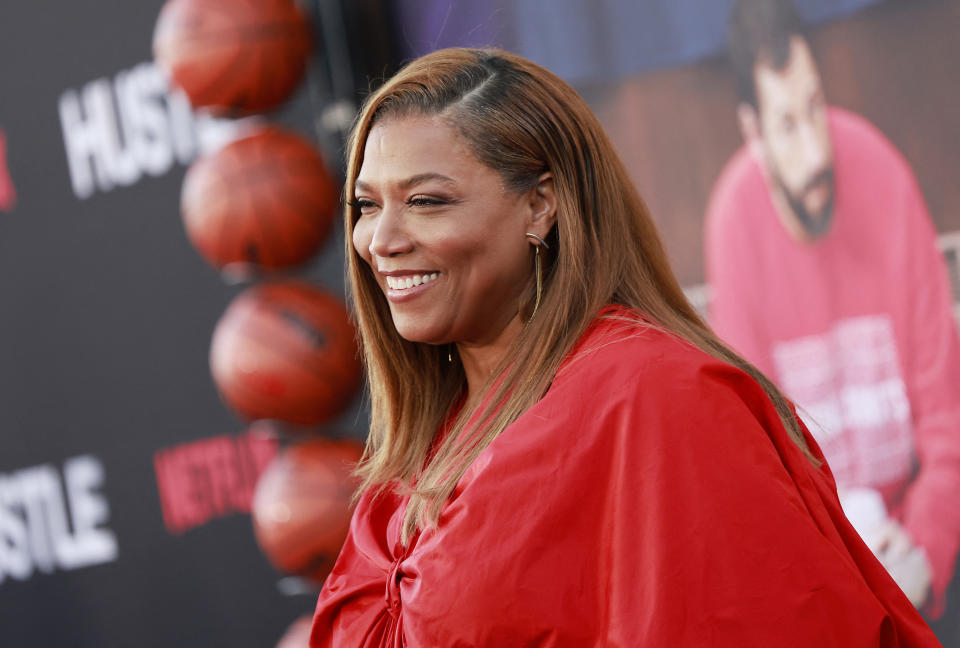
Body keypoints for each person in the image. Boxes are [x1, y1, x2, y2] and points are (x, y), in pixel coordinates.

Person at [310, 47, 940, 646]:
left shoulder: (657, 397)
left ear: (540, 206)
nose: (380, 240)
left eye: (425, 201)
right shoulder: (426, 438)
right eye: (366, 205)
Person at [705, 0, 960, 628]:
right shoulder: (734, 223)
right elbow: (757, 464)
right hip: (822, 559)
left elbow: (948, 417)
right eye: (787, 123)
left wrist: (925, 550)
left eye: (814, 106)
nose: (815, 147)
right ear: (753, 133)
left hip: (917, 539)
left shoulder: (881, 173)